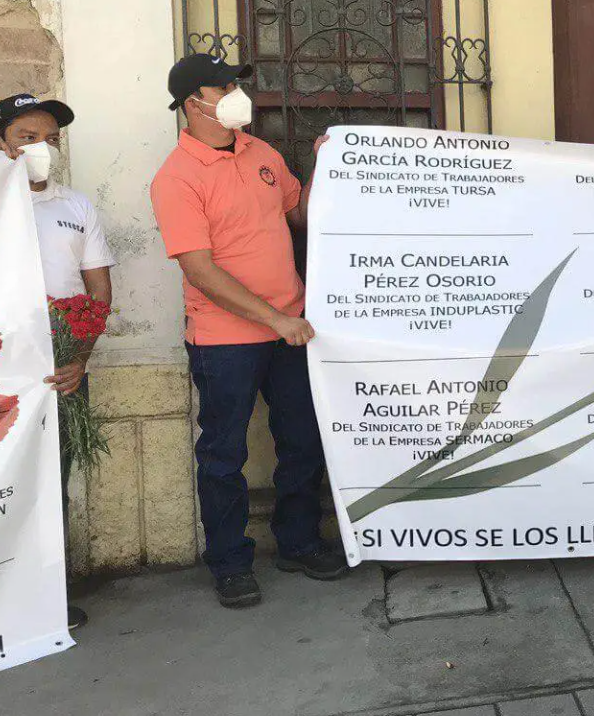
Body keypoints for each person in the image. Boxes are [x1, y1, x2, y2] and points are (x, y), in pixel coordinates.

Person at [149, 54, 345, 608]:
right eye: (224, 86)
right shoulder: (176, 178)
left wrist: (327, 168)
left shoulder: (262, 153)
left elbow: (300, 215)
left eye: (236, 83)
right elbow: (200, 270)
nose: (237, 93)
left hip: (289, 330)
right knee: (223, 453)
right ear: (193, 103)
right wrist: (275, 318)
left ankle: (299, 542)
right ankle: (231, 563)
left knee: (302, 439)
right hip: (225, 341)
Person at [0, 92, 116, 631]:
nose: (41, 148)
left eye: (50, 139)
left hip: (61, 373)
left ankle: (44, 598)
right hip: (7, 373)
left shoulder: (76, 207)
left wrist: (80, 359)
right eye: (27, 137)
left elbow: (98, 292)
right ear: (3, 142)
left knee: (50, 483)